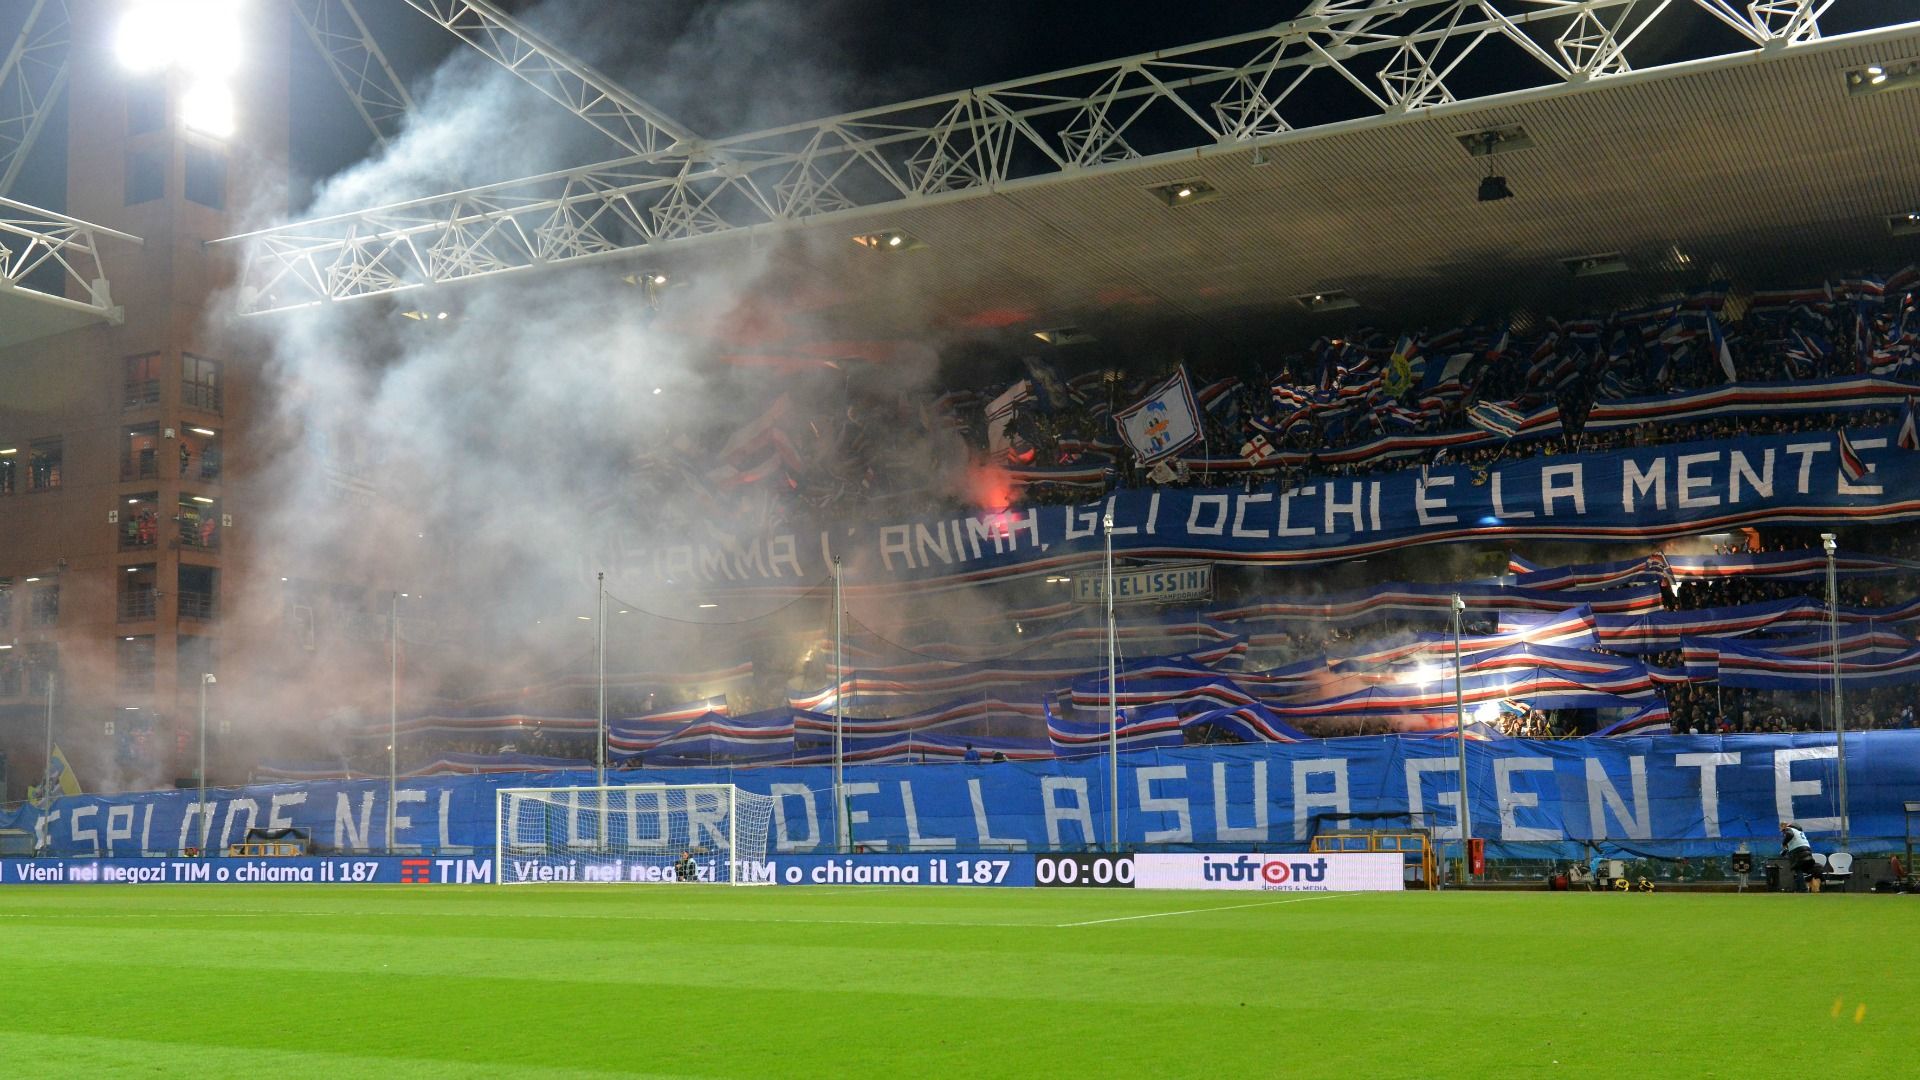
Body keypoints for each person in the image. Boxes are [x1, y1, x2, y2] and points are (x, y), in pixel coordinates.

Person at [1780, 821, 1817, 891]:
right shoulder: (1799, 831)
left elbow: (1789, 835)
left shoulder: (1788, 829)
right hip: (1807, 849)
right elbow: (1795, 841)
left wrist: (1783, 843)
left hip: (1798, 851)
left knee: (1798, 869)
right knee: (1805, 869)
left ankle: (1803, 888)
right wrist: (1786, 850)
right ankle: (1810, 887)